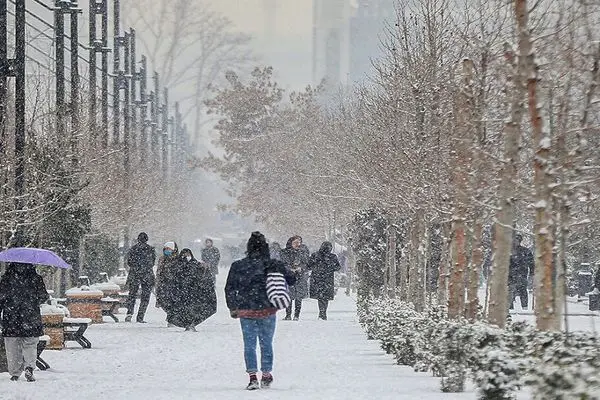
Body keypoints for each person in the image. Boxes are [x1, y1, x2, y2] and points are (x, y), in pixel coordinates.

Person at [225, 232, 296, 390]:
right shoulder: (273, 264)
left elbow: (229, 288)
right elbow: (292, 280)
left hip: (245, 311)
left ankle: (252, 377)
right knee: (266, 343)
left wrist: (233, 307)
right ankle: (266, 375)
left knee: (249, 344)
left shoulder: (238, 265)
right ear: (265, 247)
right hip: (267, 310)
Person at [0, 263, 49, 382]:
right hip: (30, 317)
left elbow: (0, 298)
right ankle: (29, 367)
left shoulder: (6, 278)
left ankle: (15, 372)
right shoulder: (36, 278)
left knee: (12, 346)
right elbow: (43, 296)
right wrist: (32, 301)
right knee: (31, 344)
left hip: (11, 317)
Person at [164, 249, 217, 331]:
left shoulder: (195, 264)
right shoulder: (177, 265)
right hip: (181, 292)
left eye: (188, 254)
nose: (186, 256)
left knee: (193, 309)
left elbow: (200, 275)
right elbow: (173, 277)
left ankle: (191, 324)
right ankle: (187, 324)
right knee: (183, 310)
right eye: (184, 254)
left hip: (193, 292)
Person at [124, 232, 156, 323]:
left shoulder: (133, 249)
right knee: (145, 296)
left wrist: (136, 267)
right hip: (147, 275)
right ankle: (140, 316)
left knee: (132, 295)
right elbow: (152, 263)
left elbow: (129, 262)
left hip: (134, 274)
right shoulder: (150, 249)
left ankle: (129, 313)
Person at [308, 241, 341, 320]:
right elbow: (338, 267)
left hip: (318, 278)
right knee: (324, 297)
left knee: (321, 297)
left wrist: (317, 268)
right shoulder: (332, 256)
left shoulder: (315, 255)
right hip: (327, 279)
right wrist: (330, 268)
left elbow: (309, 266)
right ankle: (323, 312)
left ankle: (322, 312)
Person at [280, 235, 310, 320]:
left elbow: (307, 264)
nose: (297, 244)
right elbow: (283, 264)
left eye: (299, 242)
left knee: (298, 297)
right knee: (289, 296)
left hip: (300, 276)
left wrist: (300, 268)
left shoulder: (303, 252)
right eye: (295, 242)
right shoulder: (284, 252)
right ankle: (288, 314)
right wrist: (290, 269)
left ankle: (297, 315)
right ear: (291, 243)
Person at [508, 233, 535, 310]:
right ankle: (510, 309)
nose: (515, 242)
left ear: (520, 241)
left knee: (523, 291)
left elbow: (531, 263)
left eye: (517, 240)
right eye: (514, 240)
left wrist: (532, 274)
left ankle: (525, 308)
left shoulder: (526, 251)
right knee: (510, 292)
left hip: (522, 275)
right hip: (510, 276)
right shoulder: (508, 251)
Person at [155, 241, 179, 325]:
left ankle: (171, 318)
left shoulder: (178, 259)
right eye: (166, 249)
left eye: (169, 249)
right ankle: (170, 315)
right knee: (163, 301)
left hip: (174, 284)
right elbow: (159, 271)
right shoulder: (162, 259)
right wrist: (158, 281)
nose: (167, 250)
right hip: (164, 283)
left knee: (173, 301)